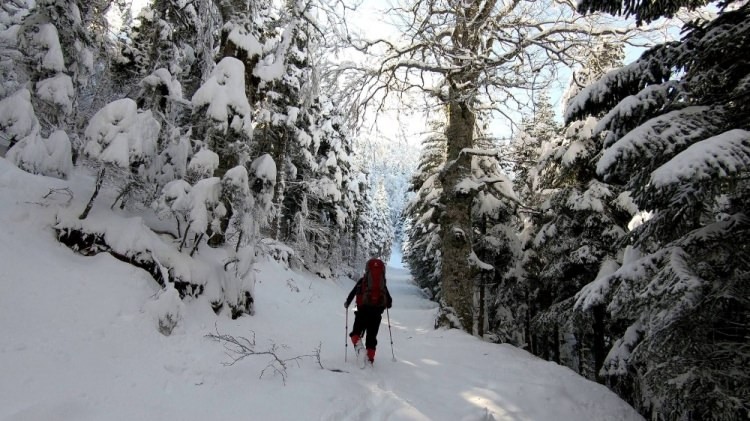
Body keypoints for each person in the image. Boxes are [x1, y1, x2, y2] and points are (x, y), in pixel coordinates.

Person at [344, 259, 392, 364]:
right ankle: (370, 359)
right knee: (371, 337)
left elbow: (352, 294)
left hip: (361, 312)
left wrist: (347, 303)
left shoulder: (362, 281)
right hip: (376, 314)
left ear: (367, 270)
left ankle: (360, 349)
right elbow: (389, 303)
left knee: (355, 333)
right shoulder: (382, 285)